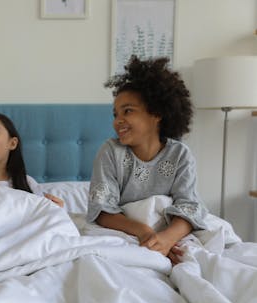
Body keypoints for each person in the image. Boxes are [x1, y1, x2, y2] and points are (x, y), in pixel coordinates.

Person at [86, 55, 207, 264]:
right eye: (115, 114)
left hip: (168, 232)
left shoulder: (180, 155)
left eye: (128, 111)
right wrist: (145, 232)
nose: (118, 121)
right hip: (127, 230)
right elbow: (102, 211)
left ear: (156, 113)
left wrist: (167, 239)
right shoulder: (110, 152)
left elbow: (189, 208)